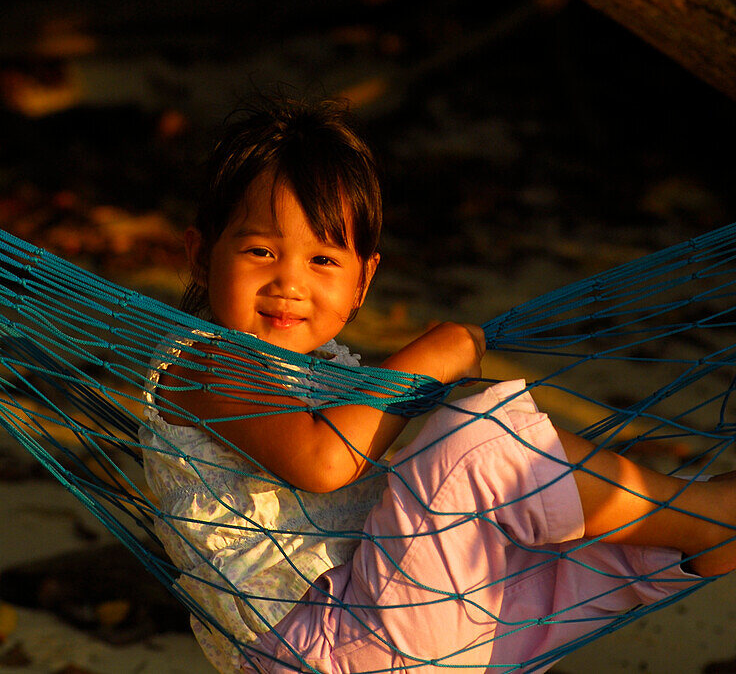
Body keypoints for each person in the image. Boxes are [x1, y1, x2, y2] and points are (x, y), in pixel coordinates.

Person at [139, 95, 736, 674]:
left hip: (415, 621)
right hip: (333, 643)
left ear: (361, 282)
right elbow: (322, 462)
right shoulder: (208, 365)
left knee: (571, 521)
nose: (289, 283)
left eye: (323, 261)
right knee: (488, 444)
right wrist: (428, 360)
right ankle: (708, 516)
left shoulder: (329, 369)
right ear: (200, 255)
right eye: (261, 251)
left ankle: (688, 544)